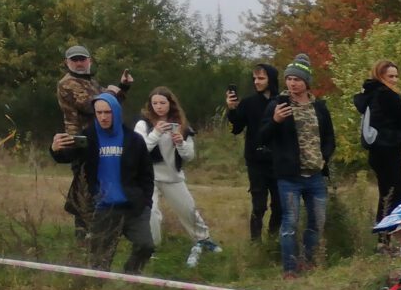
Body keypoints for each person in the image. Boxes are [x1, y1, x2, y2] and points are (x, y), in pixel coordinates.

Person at [49, 93, 154, 272]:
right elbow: (66, 157)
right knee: (99, 262)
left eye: (107, 112)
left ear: (116, 112)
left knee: (146, 246)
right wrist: (55, 149)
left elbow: (147, 174)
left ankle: (130, 274)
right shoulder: (88, 137)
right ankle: (98, 287)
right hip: (103, 209)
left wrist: (146, 203)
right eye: (99, 113)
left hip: (132, 206)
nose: (103, 117)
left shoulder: (134, 140)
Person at [263, 60, 335, 278]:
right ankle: (290, 268)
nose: (292, 83)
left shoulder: (319, 107)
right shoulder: (277, 105)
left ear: (306, 82)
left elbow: (329, 137)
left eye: (297, 79)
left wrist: (324, 157)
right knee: (290, 223)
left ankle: (308, 261)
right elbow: (261, 137)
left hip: (315, 175)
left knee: (317, 221)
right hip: (289, 176)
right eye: (289, 79)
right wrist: (275, 121)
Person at [56, 45, 132, 246]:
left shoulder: (90, 81)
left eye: (82, 59)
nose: (79, 63)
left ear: (89, 60)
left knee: (101, 183)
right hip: (80, 141)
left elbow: (109, 107)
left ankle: (100, 229)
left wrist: (122, 87)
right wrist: (111, 91)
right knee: (84, 185)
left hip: (99, 139)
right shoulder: (67, 83)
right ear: (67, 62)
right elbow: (91, 106)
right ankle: (83, 234)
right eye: (74, 60)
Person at [136, 87, 220, 267]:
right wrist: (156, 133)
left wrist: (180, 143)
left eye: (162, 103)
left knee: (188, 210)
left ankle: (204, 240)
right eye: (155, 103)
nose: (159, 106)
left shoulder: (181, 125)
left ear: (170, 104)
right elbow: (139, 150)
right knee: (151, 213)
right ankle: (149, 249)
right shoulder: (143, 125)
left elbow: (189, 156)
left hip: (173, 176)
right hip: (149, 177)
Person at [352, 59, 401, 240]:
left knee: (387, 194)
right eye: (390, 76)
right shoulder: (386, 95)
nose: (394, 80)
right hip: (388, 148)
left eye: (396, 76)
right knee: (395, 195)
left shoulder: (370, 94)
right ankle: (390, 237)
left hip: (378, 151)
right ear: (380, 76)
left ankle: (386, 237)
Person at [226, 64, 280, 242]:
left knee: (279, 205)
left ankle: (273, 241)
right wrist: (232, 109)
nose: (256, 82)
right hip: (256, 161)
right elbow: (236, 128)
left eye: (261, 78)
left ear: (271, 79)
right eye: (254, 78)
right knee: (259, 205)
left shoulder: (282, 101)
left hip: (279, 160)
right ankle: (255, 243)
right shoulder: (248, 102)